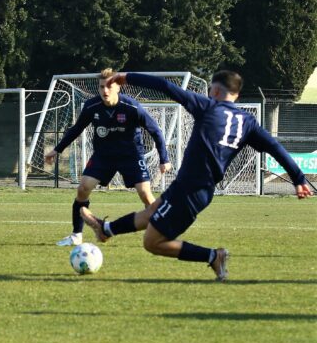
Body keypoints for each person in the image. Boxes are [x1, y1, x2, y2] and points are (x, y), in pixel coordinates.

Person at [80, 70, 312, 281]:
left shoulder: (208, 106)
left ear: (217, 91)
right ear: (237, 96)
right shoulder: (248, 123)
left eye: (210, 89)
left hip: (191, 190)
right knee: (151, 212)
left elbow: (166, 87)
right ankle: (105, 229)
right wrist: (298, 179)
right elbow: (275, 147)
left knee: (152, 242)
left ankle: (213, 256)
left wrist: (127, 77)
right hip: (194, 187)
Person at [45, 68, 172, 247]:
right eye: (102, 86)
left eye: (109, 86)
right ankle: (76, 235)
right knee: (83, 188)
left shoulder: (132, 107)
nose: (105, 90)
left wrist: (164, 159)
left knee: (145, 194)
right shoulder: (91, 106)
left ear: (118, 87)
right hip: (103, 156)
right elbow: (76, 129)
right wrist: (57, 150)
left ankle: (160, 231)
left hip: (131, 155)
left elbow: (155, 131)